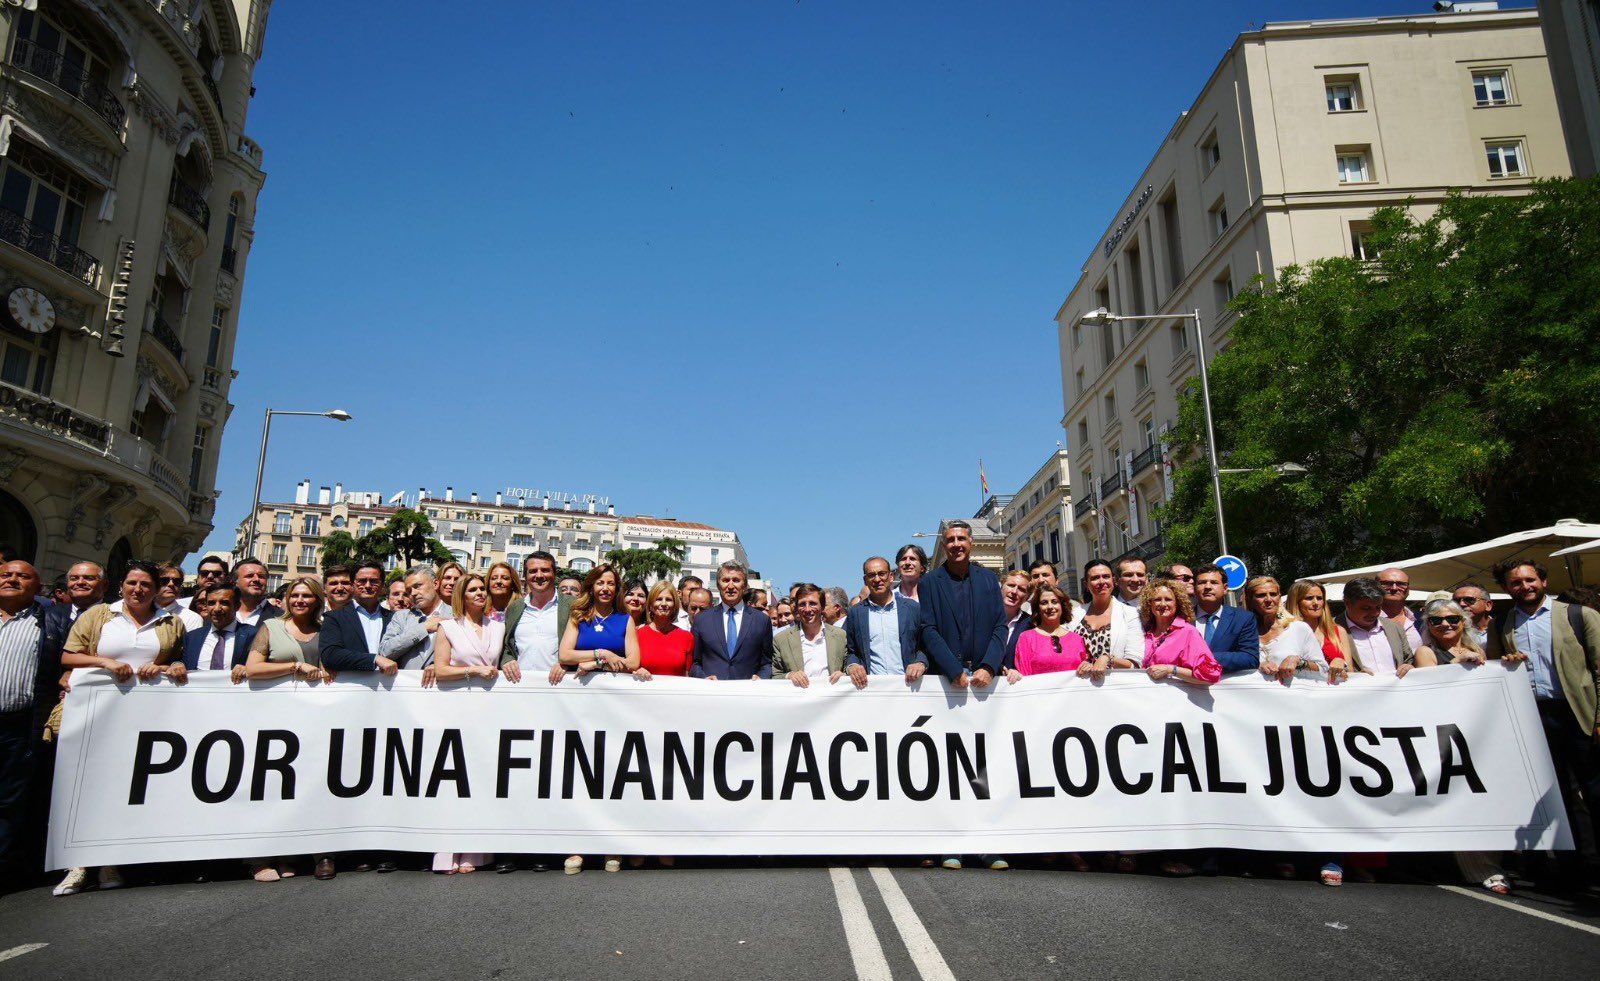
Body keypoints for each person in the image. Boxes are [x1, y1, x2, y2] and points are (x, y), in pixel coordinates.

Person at [54, 563, 185, 895]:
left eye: (145, 584)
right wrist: (105, 662)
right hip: (96, 714)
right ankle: (78, 865)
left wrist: (168, 665)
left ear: (155, 589)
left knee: (122, 788)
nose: (138, 589)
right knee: (86, 786)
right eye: (132, 583)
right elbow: (69, 657)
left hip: (144, 718)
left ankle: (109, 861)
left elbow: (177, 661)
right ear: (121, 586)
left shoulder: (172, 622)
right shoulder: (99, 615)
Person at [1490, 560, 1600, 889]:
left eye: (1530, 580)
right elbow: (1495, 667)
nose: (1525, 587)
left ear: (1543, 581)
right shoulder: (1503, 623)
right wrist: (1506, 661)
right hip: (1535, 717)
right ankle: (1577, 869)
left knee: (1595, 791)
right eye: (1516, 583)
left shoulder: (1579, 615)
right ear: (1506, 588)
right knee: (1559, 796)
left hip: (1580, 713)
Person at [911, 522, 1006, 872]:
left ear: (971, 541)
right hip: (948, 684)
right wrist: (953, 669)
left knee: (984, 767)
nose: (955, 544)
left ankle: (986, 844)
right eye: (949, 540)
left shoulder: (988, 580)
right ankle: (952, 843)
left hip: (984, 685)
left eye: (961, 539)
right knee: (950, 767)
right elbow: (928, 629)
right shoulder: (930, 582)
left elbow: (999, 627)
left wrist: (988, 667)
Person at [243, 576, 331, 880]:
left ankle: (290, 854)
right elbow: (253, 668)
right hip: (273, 718)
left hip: (313, 720)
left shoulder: (326, 630)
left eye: (307, 596)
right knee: (268, 787)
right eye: (295, 595)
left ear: (317, 600)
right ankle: (261, 859)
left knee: (302, 787)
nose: (300, 601)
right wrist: (294, 667)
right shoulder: (271, 627)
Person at [559, 564, 639, 874]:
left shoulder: (625, 619)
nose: (605, 588)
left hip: (614, 707)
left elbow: (633, 660)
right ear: (591, 587)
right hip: (581, 705)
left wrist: (597, 662)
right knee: (580, 773)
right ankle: (577, 846)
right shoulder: (578, 617)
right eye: (600, 583)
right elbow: (566, 655)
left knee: (612, 774)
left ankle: (610, 845)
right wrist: (602, 654)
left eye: (611, 584)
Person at [430, 572, 504, 875]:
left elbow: (500, 663)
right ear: (462, 594)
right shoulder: (448, 627)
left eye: (482, 589)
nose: (480, 593)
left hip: (489, 710)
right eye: (473, 589)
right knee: (453, 781)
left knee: (482, 780)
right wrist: (473, 671)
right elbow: (440, 670)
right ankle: (446, 853)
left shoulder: (498, 627)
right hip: (456, 707)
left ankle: (476, 851)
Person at [0, 561, 46, 893]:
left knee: (7, 801)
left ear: (37, 586)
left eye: (23, 576)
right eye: (6, 575)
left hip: (16, 727)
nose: (13, 580)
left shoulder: (48, 622)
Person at [843, 557, 925, 686]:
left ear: (891, 576)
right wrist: (852, 665)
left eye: (882, 573)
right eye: (871, 575)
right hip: (872, 687)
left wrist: (921, 662)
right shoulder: (856, 613)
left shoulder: (912, 608)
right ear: (865, 580)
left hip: (908, 686)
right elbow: (850, 650)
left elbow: (925, 645)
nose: (877, 579)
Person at [690, 562, 773, 681]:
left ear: (745, 585)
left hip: (748, 690)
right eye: (725, 580)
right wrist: (704, 678)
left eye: (736, 580)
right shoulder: (702, 620)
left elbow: (767, 663)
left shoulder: (761, 620)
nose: (730, 586)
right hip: (712, 690)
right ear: (718, 585)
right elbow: (694, 662)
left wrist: (761, 678)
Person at [1007, 582, 1099, 680]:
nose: (1050, 607)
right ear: (1037, 608)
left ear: (1062, 606)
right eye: (1044, 603)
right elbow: (1024, 676)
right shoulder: (1026, 638)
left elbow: (1085, 671)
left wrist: (1088, 666)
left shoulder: (1077, 639)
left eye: (1054, 602)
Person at [320, 562, 395, 676]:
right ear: (353, 584)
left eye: (374, 581)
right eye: (362, 581)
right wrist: (373, 659)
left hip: (392, 684)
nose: (368, 586)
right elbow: (330, 655)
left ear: (382, 585)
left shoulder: (394, 618)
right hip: (353, 685)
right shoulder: (334, 617)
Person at [1245, 576, 1325, 683]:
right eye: (1261, 595)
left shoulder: (1298, 628)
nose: (1269, 599)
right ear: (1249, 599)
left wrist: (1298, 662)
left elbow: (1323, 669)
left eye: (1273, 594)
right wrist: (1258, 664)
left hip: (1293, 692)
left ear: (1279, 597)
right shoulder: (1241, 632)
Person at [172, 583, 257, 681]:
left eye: (224, 603)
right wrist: (176, 665)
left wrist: (249, 669)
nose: (216, 609)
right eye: (211, 603)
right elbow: (181, 663)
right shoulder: (192, 637)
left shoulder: (253, 635)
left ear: (237, 606)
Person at [1067, 559, 1144, 669]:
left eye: (1106, 576)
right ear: (1086, 584)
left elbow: (1135, 663)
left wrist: (1109, 659)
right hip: (1079, 678)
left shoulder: (1130, 614)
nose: (1102, 581)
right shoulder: (1074, 615)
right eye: (1095, 578)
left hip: (1115, 679)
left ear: (1113, 580)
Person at [378, 566, 452, 671]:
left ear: (435, 584)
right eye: (409, 590)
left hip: (444, 680)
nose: (413, 593)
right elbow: (384, 652)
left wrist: (443, 666)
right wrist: (424, 628)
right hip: (408, 681)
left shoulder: (456, 615)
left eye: (418, 586)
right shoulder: (401, 617)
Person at [1191, 563, 1260, 674]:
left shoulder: (1243, 618)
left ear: (1225, 588)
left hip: (1227, 684)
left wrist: (1202, 657)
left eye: (1214, 582)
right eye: (1202, 582)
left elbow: (1250, 658)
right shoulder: (1182, 618)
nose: (1208, 587)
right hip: (1188, 683)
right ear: (1194, 589)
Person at [774, 584, 847, 686]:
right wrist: (789, 675)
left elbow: (849, 667)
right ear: (797, 608)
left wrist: (844, 675)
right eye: (802, 604)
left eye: (812, 604)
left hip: (832, 694)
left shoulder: (840, 636)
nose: (807, 609)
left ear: (822, 607)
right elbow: (774, 675)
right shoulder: (781, 639)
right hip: (799, 695)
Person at [1339, 577, 1412, 678]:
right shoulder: (1330, 630)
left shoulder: (1394, 628)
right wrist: (1354, 676)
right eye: (1366, 608)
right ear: (1347, 603)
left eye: (1378, 607)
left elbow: (1408, 660)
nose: (1374, 613)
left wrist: (1408, 667)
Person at [1285, 579, 1353, 669]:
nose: (1316, 603)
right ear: (1295, 602)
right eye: (1309, 598)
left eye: (1319, 598)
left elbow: (1351, 672)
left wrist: (1342, 663)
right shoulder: (1286, 633)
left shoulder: (1338, 631)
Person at [635, 582, 694, 679]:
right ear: (650, 605)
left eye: (668, 600)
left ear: (675, 605)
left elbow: (688, 677)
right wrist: (636, 670)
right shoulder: (636, 635)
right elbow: (629, 669)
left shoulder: (687, 637)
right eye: (658, 599)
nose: (663, 604)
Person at [994, 570, 1034, 673]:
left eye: (1021, 589)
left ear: (1027, 597)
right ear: (1001, 587)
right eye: (1011, 585)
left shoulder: (1031, 624)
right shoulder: (982, 617)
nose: (1014, 591)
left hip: (1015, 680)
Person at [1377, 567, 1423, 651]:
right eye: (1387, 583)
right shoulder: (1364, 620)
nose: (1394, 588)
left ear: (1408, 589)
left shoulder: (1421, 620)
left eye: (1401, 584)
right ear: (1375, 587)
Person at [152, 564, 203, 632]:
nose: (171, 584)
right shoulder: (141, 613)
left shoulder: (192, 618)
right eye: (164, 580)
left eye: (177, 581)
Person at [1452, 584, 1495, 649]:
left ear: (1488, 605)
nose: (1461, 604)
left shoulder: (1503, 627)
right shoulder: (1451, 631)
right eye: (1456, 601)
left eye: (1469, 599)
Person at [234, 558, 273, 626]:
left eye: (261, 576)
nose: (256, 579)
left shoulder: (280, 616)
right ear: (235, 582)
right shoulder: (221, 612)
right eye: (249, 576)